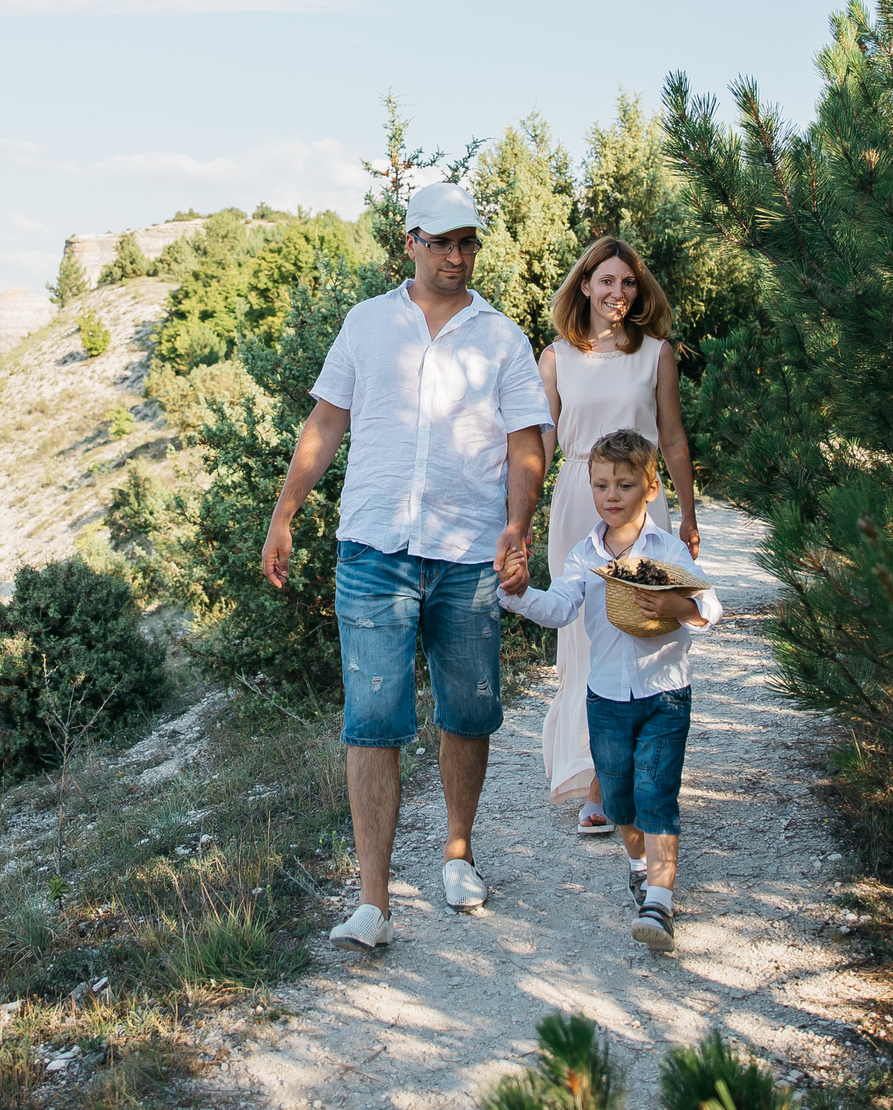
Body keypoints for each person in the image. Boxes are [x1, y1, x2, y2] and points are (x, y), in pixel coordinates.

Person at [259, 180, 551, 953]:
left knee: (467, 710)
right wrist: (285, 511)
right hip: (374, 550)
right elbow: (326, 421)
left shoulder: (502, 338)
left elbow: (529, 442)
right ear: (411, 240)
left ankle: (458, 854)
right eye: (443, 241)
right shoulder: (366, 324)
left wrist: (519, 525)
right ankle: (373, 902)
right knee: (373, 722)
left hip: (467, 553)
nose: (457, 256)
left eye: (468, 243)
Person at [498, 427, 717, 953]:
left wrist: (677, 608)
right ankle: (640, 866)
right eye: (601, 486)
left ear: (651, 487)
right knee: (619, 798)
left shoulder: (666, 551)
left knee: (656, 794)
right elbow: (560, 609)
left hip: (665, 692)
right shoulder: (584, 555)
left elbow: (712, 608)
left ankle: (660, 903)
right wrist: (522, 593)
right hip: (607, 699)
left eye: (623, 485)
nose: (611, 496)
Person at [535, 236, 698, 832]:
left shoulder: (656, 354)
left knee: (638, 629)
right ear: (584, 285)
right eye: (606, 281)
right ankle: (595, 779)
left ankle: (636, 769)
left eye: (628, 283)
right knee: (582, 637)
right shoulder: (555, 357)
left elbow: (673, 437)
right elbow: (542, 444)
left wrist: (686, 511)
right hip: (579, 495)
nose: (618, 293)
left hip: (639, 504)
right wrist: (519, 516)